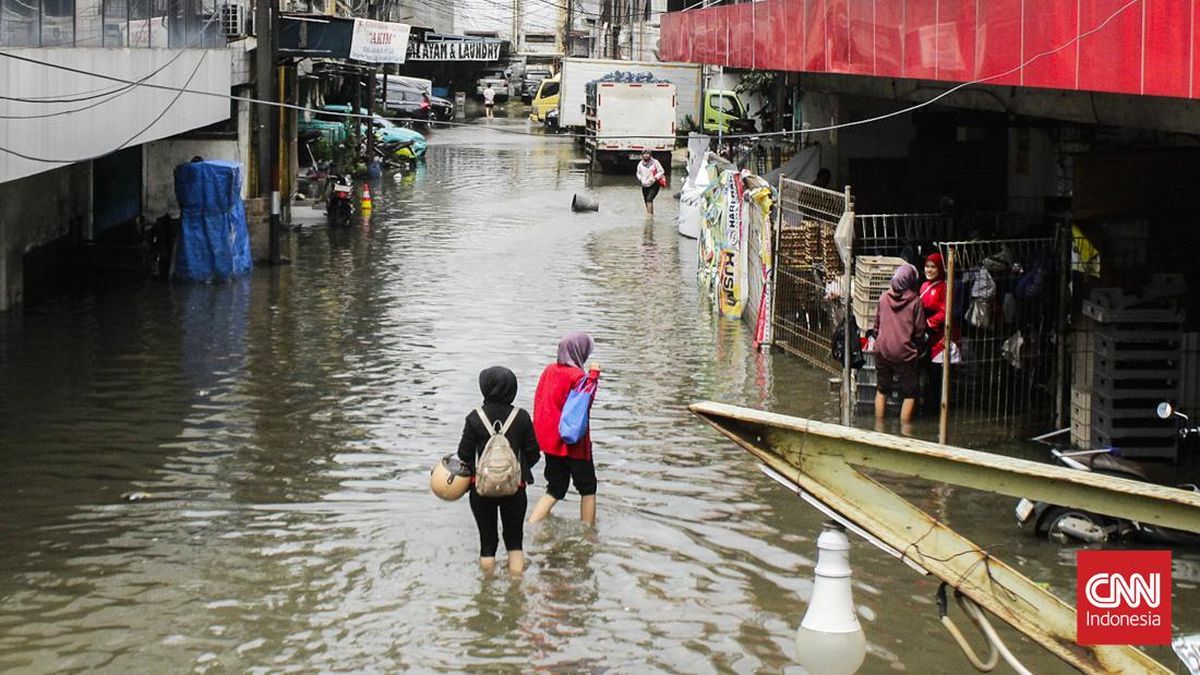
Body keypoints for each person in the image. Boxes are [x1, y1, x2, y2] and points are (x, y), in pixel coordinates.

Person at [456, 366, 541, 574]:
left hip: (481, 490)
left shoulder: (474, 418)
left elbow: (464, 454)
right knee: (515, 544)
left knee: (487, 544)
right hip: (515, 489)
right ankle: (516, 594)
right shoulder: (521, 417)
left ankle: (486, 593)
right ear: (513, 389)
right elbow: (534, 454)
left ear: (484, 388)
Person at [529, 331, 601, 525]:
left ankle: (532, 523)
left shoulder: (549, 371)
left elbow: (541, 402)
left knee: (555, 488)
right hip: (574, 444)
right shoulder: (578, 376)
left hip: (551, 443)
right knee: (588, 488)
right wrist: (594, 376)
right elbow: (584, 403)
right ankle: (588, 533)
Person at [874, 264, 925, 424]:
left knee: (882, 389)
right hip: (904, 353)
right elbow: (919, 332)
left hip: (882, 350)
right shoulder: (915, 302)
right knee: (910, 393)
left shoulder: (883, 297)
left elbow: (876, 327)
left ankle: (879, 427)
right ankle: (905, 431)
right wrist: (918, 349)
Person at [920, 252, 948, 362]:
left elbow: (945, 311)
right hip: (923, 330)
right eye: (927, 266)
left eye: (933, 267)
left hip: (937, 333)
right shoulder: (924, 286)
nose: (929, 270)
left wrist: (929, 323)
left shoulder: (944, 287)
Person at [636, 150, 666, 215]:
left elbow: (661, 171)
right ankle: (650, 214)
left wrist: (655, 178)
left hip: (654, 184)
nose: (646, 155)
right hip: (644, 185)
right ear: (642, 155)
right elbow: (638, 173)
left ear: (650, 155)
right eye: (644, 154)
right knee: (646, 201)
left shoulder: (655, 162)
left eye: (647, 154)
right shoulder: (640, 164)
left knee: (649, 199)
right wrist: (640, 178)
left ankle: (649, 217)